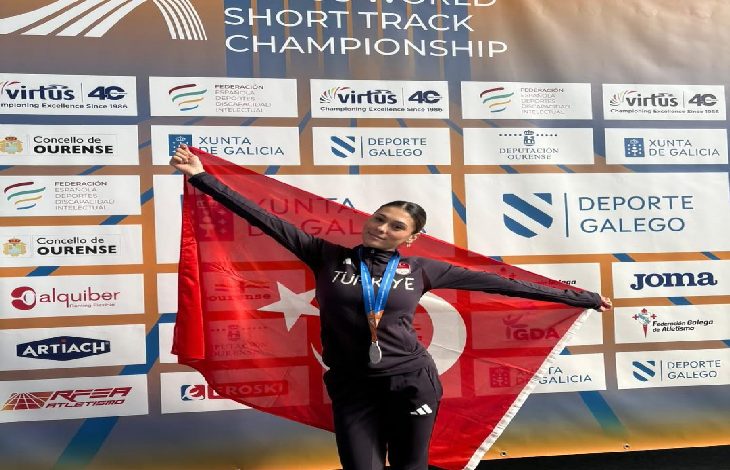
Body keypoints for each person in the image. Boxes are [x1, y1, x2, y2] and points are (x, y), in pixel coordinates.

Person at [170, 144, 612, 470]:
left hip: (411, 382)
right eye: (379, 218)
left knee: (409, 467)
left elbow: (502, 283)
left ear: (411, 237)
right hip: (352, 386)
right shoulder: (326, 255)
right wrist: (201, 177)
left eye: (395, 226)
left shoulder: (422, 269)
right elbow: (264, 218)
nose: (381, 228)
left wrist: (584, 298)